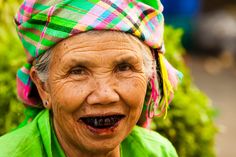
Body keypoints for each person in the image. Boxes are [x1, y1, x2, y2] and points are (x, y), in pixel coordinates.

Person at [0, 0, 182, 156]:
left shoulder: (158, 152)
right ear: (43, 86)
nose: (105, 96)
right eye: (78, 71)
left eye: (124, 68)